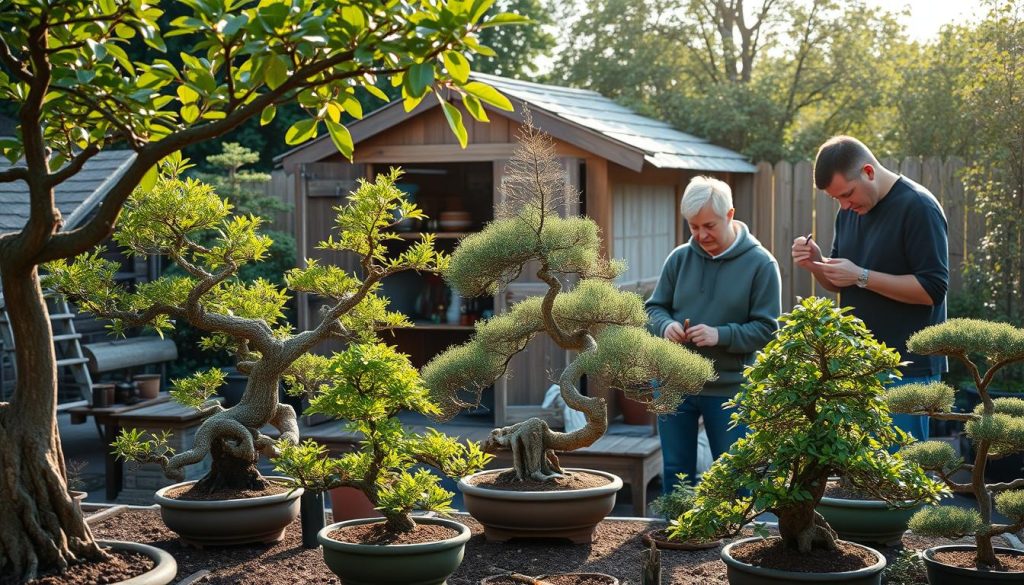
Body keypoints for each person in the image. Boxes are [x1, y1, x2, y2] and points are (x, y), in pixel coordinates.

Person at [792, 136, 948, 441]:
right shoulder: (848, 212)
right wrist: (817, 263)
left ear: (868, 171)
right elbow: (843, 282)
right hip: (857, 366)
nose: (844, 205)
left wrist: (861, 275)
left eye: (847, 194)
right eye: (836, 199)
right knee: (859, 481)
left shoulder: (918, 206)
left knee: (901, 478)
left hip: (908, 370)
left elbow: (932, 289)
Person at [646, 176, 781, 493]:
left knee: (734, 475)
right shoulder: (679, 259)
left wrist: (721, 335)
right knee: (676, 474)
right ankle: (676, 537)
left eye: (709, 225)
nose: (701, 235)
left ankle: (733, 540)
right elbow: (653, 310)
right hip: (672, 384)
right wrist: (666, 326)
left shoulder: (761, 264)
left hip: (729, 389)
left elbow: (767, 329)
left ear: (730, 215)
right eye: (693, 227)